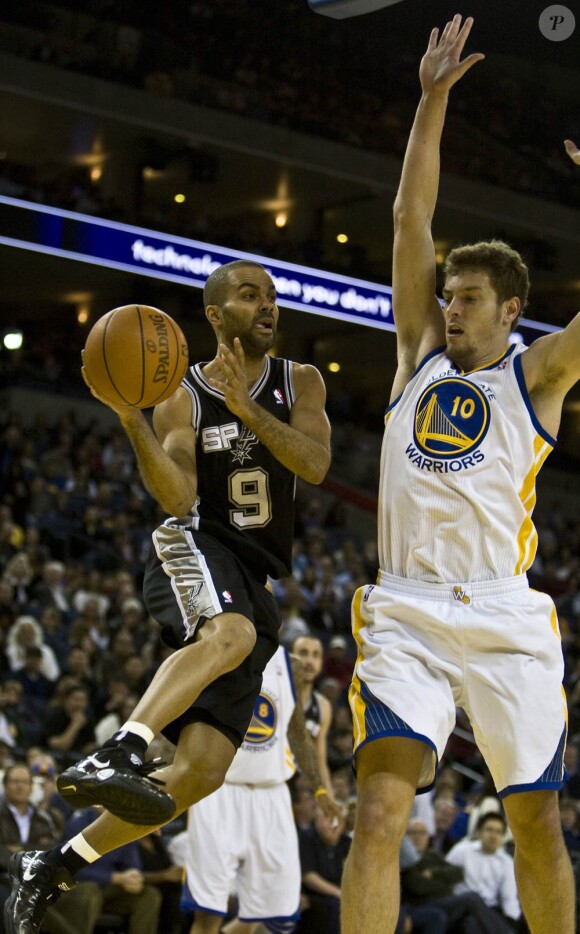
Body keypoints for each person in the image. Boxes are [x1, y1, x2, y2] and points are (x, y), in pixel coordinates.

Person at [5, 259, 331, 934]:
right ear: (216, 316)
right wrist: (132, 420)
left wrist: (247, 411)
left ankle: (57, 861)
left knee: (203, 771)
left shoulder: (300, 380)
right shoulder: (180, 392)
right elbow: (178, 496)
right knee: (232, 635)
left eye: (272, 296)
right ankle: (121, 747)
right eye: (250, 296)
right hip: (195, 545)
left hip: (257, 576)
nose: (267, 305)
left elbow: (315, 464)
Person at [341, 17, 580, 934]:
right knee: (376, 816)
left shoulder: (539, 378)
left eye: (468, 299)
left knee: (538, 825)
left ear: (511, 309)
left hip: (504, 611)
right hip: (406, 608)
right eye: (447, 295)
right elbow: (411, 219)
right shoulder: (418, 359)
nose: (450, 307)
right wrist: (431, 99)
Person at [182, 645, 341, 933]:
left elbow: (298, 735)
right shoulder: (217, 645)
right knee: (208, 913)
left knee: (268, 912)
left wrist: (320, 791)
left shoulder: (289, 665)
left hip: (272, 795)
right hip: (219, 791)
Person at [446, 812, 521, 932]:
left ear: (502, 836)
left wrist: (512, 922)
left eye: (498, 832)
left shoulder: (506, 862)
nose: (493, 836)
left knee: (472, 924)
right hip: (460, 905)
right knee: (473, 898)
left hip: (487, 911)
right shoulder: (462, 850)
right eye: (489, 830)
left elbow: (509, 898)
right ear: (479, 832)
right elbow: (443, 876)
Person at [291, 635, 333, 792]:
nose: (309, 661)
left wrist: (329, 796)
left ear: (321, 663)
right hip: (273, 781)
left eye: (316, 655)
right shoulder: (277, 694)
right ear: (290, 657)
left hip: (304, 787)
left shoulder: (323, 706)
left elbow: (320, 761)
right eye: (303, 653)